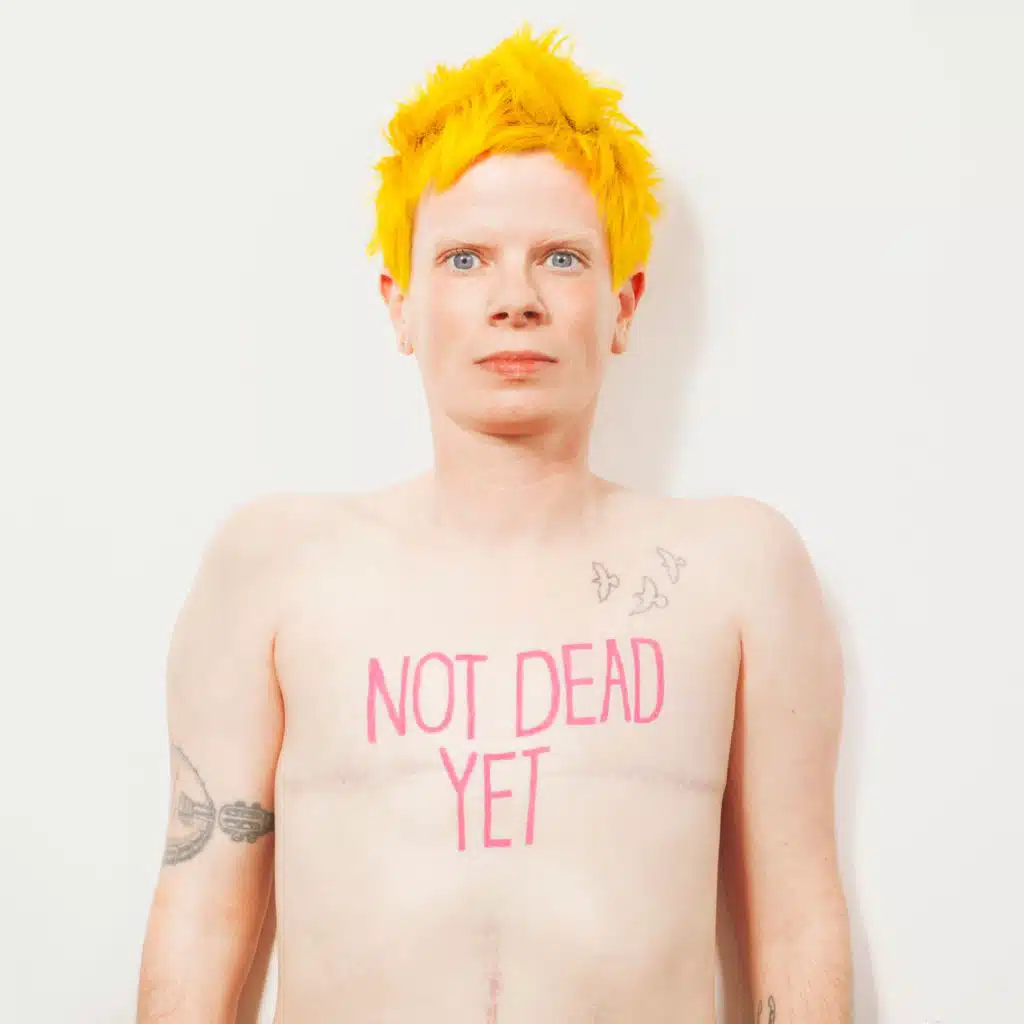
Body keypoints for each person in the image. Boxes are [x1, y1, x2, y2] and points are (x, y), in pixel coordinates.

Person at [136, 23, 852, 1024]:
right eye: (466, 258)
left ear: (623, 302)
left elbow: (796, 920)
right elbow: (201, 918)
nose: (514, 299)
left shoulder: (735, 571)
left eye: (560, 257)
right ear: (400, 302)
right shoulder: (275, 570)